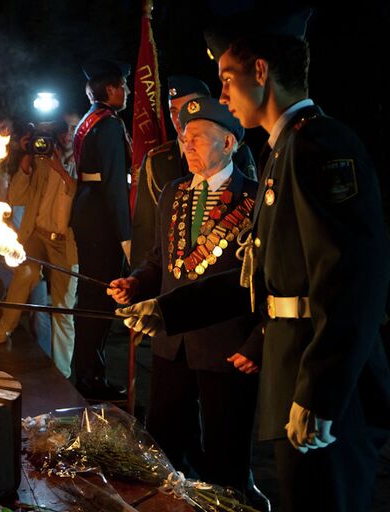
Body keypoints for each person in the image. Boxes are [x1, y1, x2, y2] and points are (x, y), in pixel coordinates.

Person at [119, 7, 390, 511]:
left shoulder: (322, 145)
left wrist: (321, 392)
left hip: (323, 381)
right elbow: (256, 276)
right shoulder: (281, 153)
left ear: (260, 73)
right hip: (295, 373)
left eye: (226, 79)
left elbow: (356, 282)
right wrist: (168, 310)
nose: (220, 96)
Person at [109, 96, 267, 508]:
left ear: (229, 143)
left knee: (225, 454)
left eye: (198, 137)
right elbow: (160, 260)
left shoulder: (257, 199)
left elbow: (267, 281)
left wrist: (257, 343)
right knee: (162, 445)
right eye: (185, 137)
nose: (187, 146)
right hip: (171, 343)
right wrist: (136, 283)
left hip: (226, 348)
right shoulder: (174, 193)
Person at [130, 75, 256, 265]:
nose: (179, 119)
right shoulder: (157, 161)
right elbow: (145, 231)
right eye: (173, 111)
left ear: (228, 144)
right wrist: (138, 281)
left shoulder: (239, 155)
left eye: (187, 108)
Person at [0, 118, 79, 379]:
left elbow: (79, 192)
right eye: (64, 130)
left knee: (63, 307)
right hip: (38, 235)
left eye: (73, 129)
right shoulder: (41, 158)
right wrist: (27, 159)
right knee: (25, 274)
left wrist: (59, 168)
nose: (66, 135)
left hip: (66, 243)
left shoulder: (83, 161)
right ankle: (3, 329)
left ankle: (62, 371)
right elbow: (17, 196)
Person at [70, 58, 132, 399]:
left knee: (90, 299)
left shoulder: (90, 119)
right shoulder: (107, 124)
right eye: (123, 84)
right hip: (101, 217)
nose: (128, 91)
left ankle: (88, 371)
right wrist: (125, 235)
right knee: (98, 299)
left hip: (88, 210)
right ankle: (90, 376)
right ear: (110, 89)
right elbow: (114, 184)